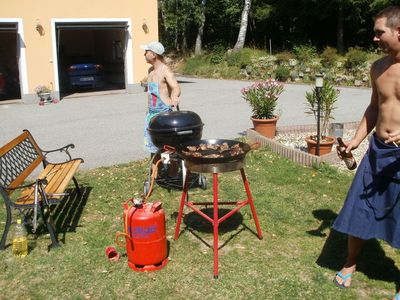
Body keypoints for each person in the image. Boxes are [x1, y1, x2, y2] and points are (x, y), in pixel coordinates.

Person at [332, 6, 400, 299]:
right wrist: (355, 140)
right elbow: (375, 108)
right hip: (377, 151)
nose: (375, 38)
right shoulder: (378, 67)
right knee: (360, 207)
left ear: (399, 31)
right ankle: (350, 262)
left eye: (379, 32)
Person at [141, 41, 181, 155]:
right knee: (153, 148)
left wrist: (174, 96)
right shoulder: (150, 71)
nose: (144, 54)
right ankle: (155, 172)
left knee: (167, 149)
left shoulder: (165, 70)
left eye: (146, 52)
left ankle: (171, 171)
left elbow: (176, 87)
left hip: (164, 114)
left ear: (153, 55)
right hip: (151, 114)